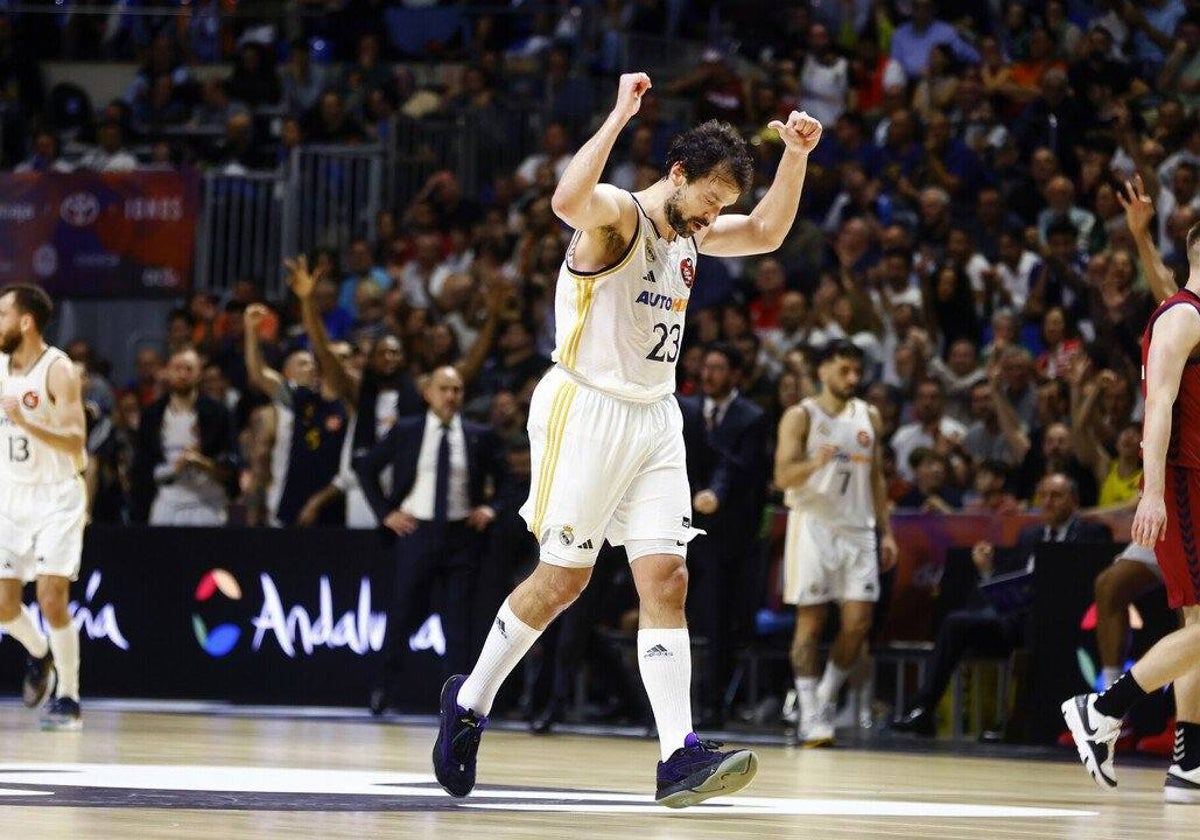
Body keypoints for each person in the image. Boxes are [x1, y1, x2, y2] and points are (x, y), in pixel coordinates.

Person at [432, 72, 823, 808]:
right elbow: (565, 201)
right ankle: (471, 701)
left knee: (667, 579)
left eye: (722, 208)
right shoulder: (618, 219)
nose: (715, 218)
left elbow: (769, 233)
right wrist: (618, 116)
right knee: (563, 582)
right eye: (709, 199)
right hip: (586, 410)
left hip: (655, 419)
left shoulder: (692, 234)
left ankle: (677, 754)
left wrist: (795, 156)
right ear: (678, 175)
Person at [1061, 212, 1200, 805]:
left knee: (1196, 629)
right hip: (1184, 484)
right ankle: (1102, 708)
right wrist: (1150, 491)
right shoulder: (1183, 314)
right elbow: (1159, 402)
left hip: (1192, 480)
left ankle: (1190, 764)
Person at [896, 473, 1110, 736]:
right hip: (1014, 619)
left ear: (1074, 501)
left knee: (1034, 625)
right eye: (1043, 496)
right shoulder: (1029, 535)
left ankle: (1016, 722)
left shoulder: (1092, 532)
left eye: (1056, 496)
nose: (1048, 502)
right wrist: (987, 572)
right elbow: (1012, 581)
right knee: (955, 623)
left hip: (1062, 622)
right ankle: (923, 710)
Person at [354, 367, 507, 714]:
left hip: (461, 536)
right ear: (428, 393)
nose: (451, 396)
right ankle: (382, 690)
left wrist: (490, 507)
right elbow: (366, 467)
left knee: (459, 624)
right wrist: (385, 513)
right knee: (403, 614)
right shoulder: (407, 431)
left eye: (457, 389)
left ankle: (457, 702)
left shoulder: (477, 434)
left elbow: (508, 482)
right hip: (416, 533)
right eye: (444, 389)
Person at [775, 340, 898, 746]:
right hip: (813, 525)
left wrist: (887, 531)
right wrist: (816, 462)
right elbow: (782, 477)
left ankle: (825, 697)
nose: (853, 378)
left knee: (859, 622)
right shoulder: (801, 416)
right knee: (810, 622)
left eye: (856, 372)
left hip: (858, 528)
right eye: (844, 370)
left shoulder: (869, 416)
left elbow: (877, 477)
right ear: (823, 369)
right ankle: (809, 711)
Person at [0, 284, 87, 730]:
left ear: (25, 321)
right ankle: (40, 653)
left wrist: (26, 421)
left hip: (56, 495)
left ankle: (69, 697)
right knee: (3, 605)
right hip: (9, 496)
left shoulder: (58, 369)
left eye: (3, 315)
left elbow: (76, 440)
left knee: (52, 598)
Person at [677, 342, 770, 726]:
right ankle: (679, 702)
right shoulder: (689, 410)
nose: (708, 374)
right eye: (705, 366)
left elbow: (738, 467)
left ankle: (714, 705)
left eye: (717, 367)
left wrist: (714, 492)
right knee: (679, 614)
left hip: (731, 536)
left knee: (720, 622)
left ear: (735, 374)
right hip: (688, 528)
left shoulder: (751, 417)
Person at [129, 348, 237, 525]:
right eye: (177, 368)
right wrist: (174, 468)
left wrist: (201, 462)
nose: (182, 374)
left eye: (188, 369)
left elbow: (230, 462)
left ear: (199, 373)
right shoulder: (153, 415)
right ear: (167, 371)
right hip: (168, 500)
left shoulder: (218, 413)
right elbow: (143, 466)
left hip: (207, 501)